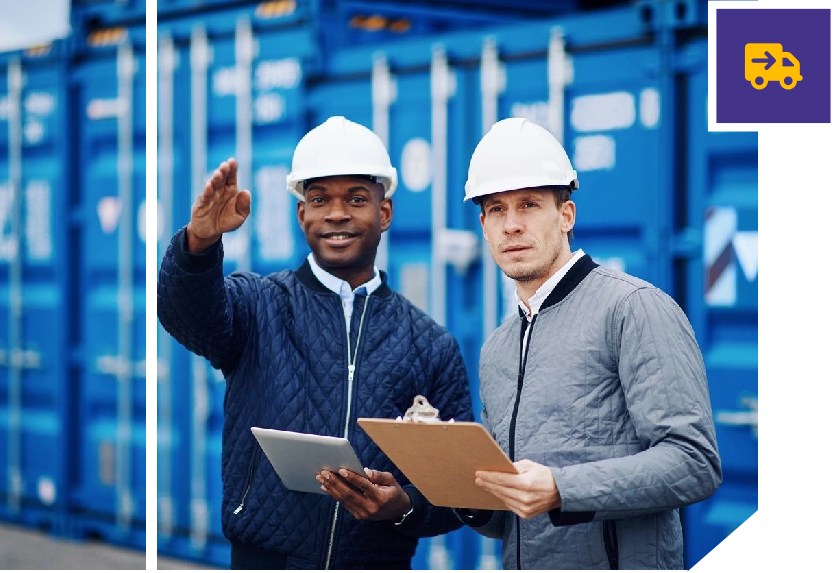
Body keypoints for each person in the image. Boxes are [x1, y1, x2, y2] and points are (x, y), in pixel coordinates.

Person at [157, 116, 474, 570]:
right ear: (302, 213)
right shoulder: (257, 303)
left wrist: (405, 506)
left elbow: (456, 488)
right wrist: (200, 243)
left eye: (356, 199)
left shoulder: (430, 344)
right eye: (320, 198)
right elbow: (185, 316)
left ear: (384, 213)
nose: (337, 213)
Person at [454, 117, 722, 570]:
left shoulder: (634, 308)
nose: (512, 225)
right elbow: (514, 514)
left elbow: (694, 463)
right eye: (497, 209)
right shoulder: (498, 348)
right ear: (482, 225)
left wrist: (562, 488)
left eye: (529, 205)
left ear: (566, 216)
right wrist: (469, 496)